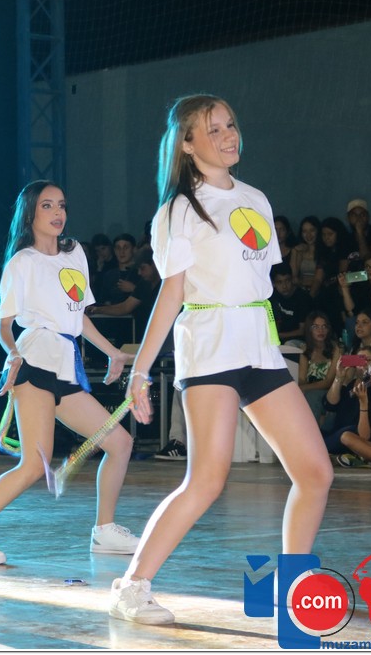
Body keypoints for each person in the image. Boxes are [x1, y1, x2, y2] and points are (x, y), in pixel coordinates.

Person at [107, 95, 332, 624]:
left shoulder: (255, 198)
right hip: (210, 346)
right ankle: (131, 587)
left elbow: (256, 279)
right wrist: (141, 370)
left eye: (230, 124)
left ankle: (290, 588)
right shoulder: (179, 210)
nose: (229, 135)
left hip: (259, 346)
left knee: (315, 472)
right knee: (207, 479)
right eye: (213, 129)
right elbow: (171, 294)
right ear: (187, 144)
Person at [0, 180, 137, 566]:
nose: (57, 212)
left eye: (61, 205)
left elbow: (77, 318)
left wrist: (113, 353)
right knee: (35, 464)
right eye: (47, 205)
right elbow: (4, 326)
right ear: (30, 213)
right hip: (33, 364)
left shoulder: (75, 253)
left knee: (119, 442)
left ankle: (104, 530)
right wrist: (13, 353)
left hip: (65, 366)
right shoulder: (22, 263)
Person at [89, 247, 162, 342]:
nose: (139, 273)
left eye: (142, 268)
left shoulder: (168, 284)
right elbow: (125, 307)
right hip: (146, 335)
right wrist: (97, 310)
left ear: (155, 264)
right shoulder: (144, 284)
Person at [298, 311, 342, 424]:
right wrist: (301, 389)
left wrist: (303, 388)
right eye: (315, 327)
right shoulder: (305, 349)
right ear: (309, 329)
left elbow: (328, 382)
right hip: (309, 391)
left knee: (312, 396)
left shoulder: (336, 349)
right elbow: (302, 379)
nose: (320, 330)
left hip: (330, 393)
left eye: (324, 327)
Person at [269, 262, 312, 346]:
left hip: (301, 341)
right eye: (280, 282)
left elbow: (302, 330)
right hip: (279, 339)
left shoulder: (302, 298)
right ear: (273, 283)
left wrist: (278, 336)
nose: (284, 286)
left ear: (292, 279)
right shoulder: (273, 296)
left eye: (287, 280)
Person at [99, 233, 139, 305]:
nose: (122, 252)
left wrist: (134, 289)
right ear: (114, 250)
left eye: (126, 248)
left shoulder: (140, 273)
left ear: (134, 249)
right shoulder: (109, 275)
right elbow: (104, 300)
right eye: (118, 248)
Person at [289, 216, 321, 293]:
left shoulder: (323, 251)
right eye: (304, 231)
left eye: (312, 230)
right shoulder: (300, 251)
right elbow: (294, 277)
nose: (308, 235)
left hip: (320, 291)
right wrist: (294, 251)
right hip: (302, 290)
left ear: (318, 231)